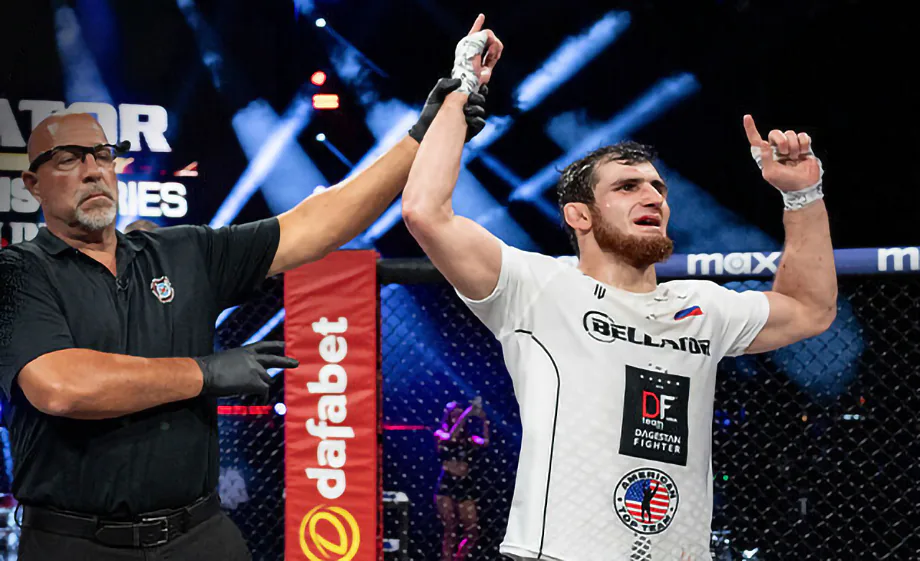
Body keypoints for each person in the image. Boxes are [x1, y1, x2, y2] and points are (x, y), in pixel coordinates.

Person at [0, 43, 492, 559]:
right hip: (75, 542)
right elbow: (60, 387)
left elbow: (318, 223)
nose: (93, 170)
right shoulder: (19, 272)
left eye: (102, 155)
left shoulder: (183, 252)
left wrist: (418, 140)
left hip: (197, 534)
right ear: (33, 184)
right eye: (68, 159)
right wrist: (207, 373)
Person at [401, 17, 836, 561]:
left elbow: (809, 309)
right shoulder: (538, 288)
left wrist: (802, 196)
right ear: (579, 216)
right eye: (628, 187)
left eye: (658, 187)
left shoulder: (700, 307)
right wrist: (460, 91)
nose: (653, 197)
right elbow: (425, 212)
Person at [434, 397, 490, 561]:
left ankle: (459, 558)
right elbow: (451, 438)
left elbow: (485, 442)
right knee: (450, 529)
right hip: (447, 484)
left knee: (472, 532)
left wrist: (484, 420)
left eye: (460, 415)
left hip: (465, 484)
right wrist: (466, 415)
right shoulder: (441, 434)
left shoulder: (468, 439)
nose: (458, 418)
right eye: (454, 415)